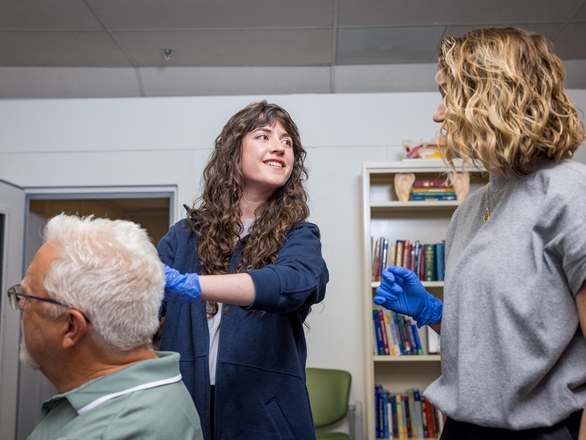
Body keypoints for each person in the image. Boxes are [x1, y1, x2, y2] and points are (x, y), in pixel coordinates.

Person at [374, 27, 586, 439]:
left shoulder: (569, 193)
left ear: (493, 95)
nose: (437, 114)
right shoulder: (470, 209)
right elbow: (501, 342)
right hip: (462, 430)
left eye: (448, 94)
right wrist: (435, 315)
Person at [157, 100, 329, 439]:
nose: (279, 146)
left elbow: (295, 282)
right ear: (233, 151)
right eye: (263, 136)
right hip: (185, 410)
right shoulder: (183, 236)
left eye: (287, 142)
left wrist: (196, 285)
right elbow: (137, 307)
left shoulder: (299, 235)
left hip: (265, 420)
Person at [8, 214, 203, 440]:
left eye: (29, 296)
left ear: (71, 326)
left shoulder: (113, 432)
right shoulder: (160, 390)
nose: (22, 305)